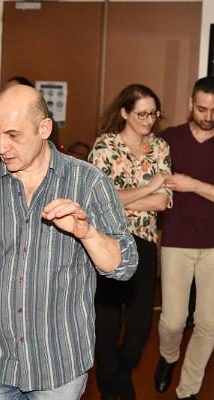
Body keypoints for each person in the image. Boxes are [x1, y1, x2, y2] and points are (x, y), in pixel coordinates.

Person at [0, 84, 138, 399]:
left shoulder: (88, 183)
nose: (3, 147)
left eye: (14, 135)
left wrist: (87, 233)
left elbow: (124, 265)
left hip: (58, 368)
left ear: (44, 129)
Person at [89, 84, 172, 400]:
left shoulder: (160, 148)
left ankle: (118, 377)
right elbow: (99, 200)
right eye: (142, 114)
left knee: (140, 326)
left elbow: (163, 202)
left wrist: (121, 197)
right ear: (124, 112)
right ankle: (111, 387)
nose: (149, 120)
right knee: (107, 324)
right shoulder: (105, 147)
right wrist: (149, 186)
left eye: (153, 114)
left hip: (145, 243)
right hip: (107, 241)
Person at [154, 76, 214, 400]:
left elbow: (189, 185)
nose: (208, 116)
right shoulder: (168, 140)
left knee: (208, 324)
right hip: (177, 242)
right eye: (202, 109)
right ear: (191, 104)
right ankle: (168, 356)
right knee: (173, 322)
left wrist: (193, 185)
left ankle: (187, 389)